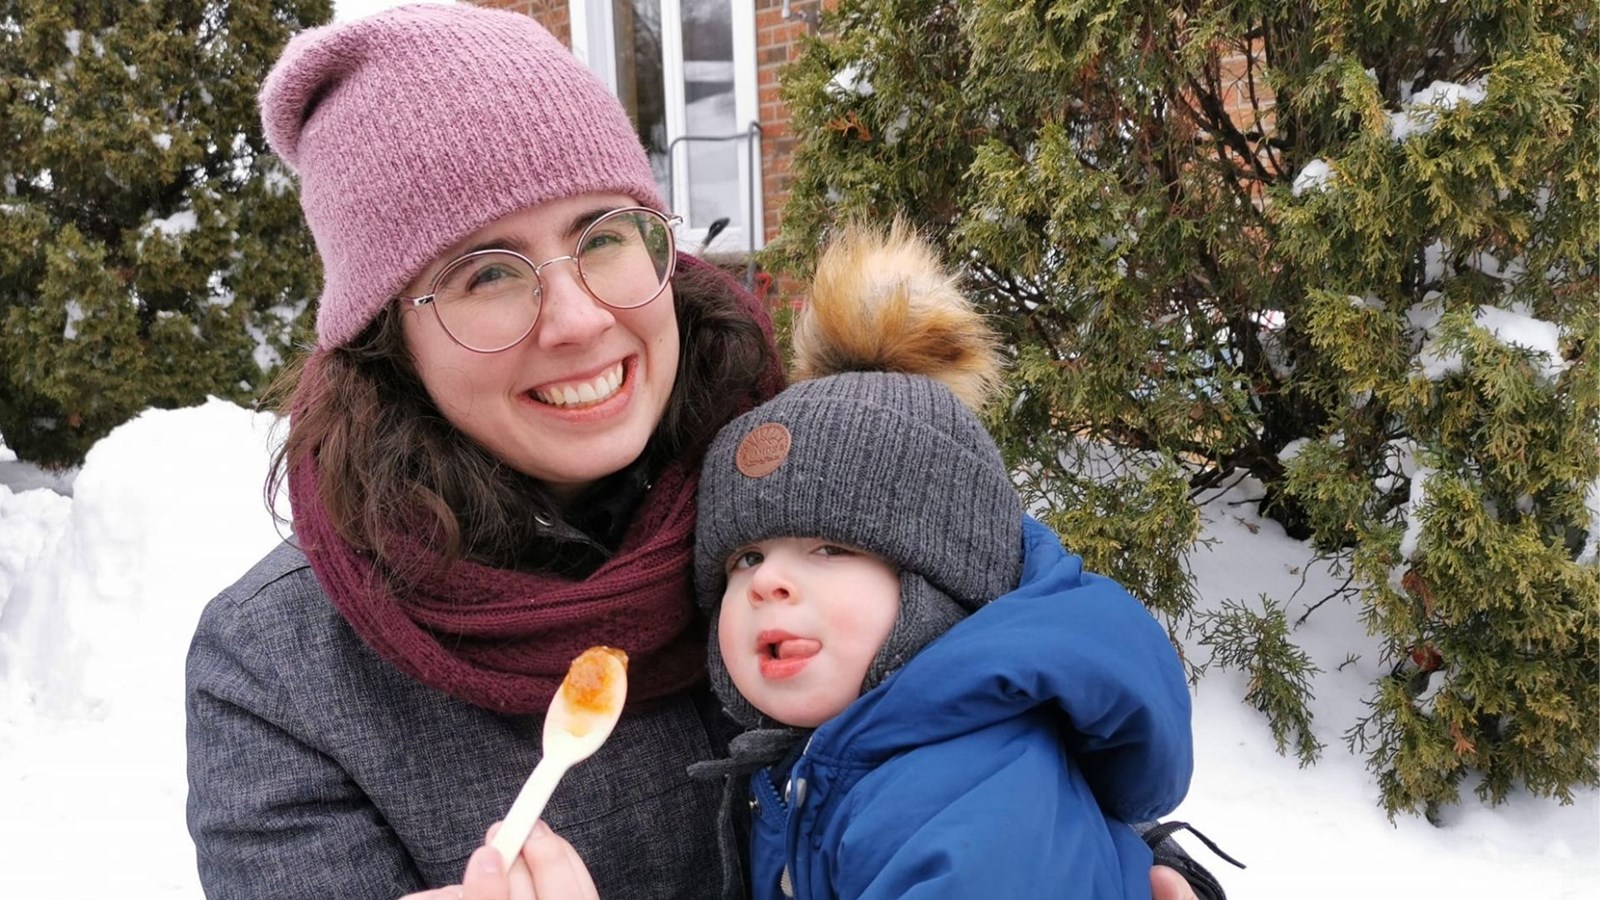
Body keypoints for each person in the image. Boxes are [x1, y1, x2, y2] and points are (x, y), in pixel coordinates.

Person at [182, 5, 1220, 899]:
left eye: (602, 235)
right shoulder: (282, 677)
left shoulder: (813, 473)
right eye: (487, 274)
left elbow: (1008, 719)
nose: (582, 320)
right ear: (385, 344)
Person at [685, 222, 1193, 899]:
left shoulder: (958, 802)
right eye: (745, 557)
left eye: (831, 548)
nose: (767, 582)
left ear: (944, 585)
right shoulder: (858, 758)